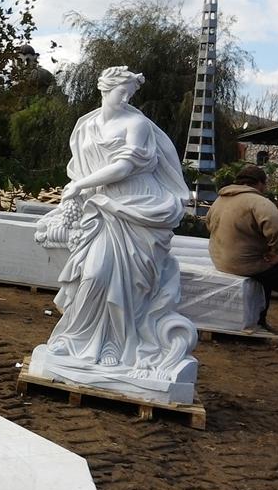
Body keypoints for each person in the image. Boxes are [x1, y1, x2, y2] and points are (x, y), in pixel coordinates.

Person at [38, 66, 197, 378]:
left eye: (130, 93)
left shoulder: (137, 124)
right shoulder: (86, 125)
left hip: (135, 206)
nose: (126, 98)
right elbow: (80, 169)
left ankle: (115, 345)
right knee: (94, 275)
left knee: (129, 286)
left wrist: (82, 186)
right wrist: (78, 193)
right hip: (99, 209)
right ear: (104, 89)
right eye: (121, 92)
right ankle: (76, 339)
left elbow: (124, 167)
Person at [206, 164, 278, 348]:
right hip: (247, 263)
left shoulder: (220, 200)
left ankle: (259, 320)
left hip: (221, 260)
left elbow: (209, 224)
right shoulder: (258, 202)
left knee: (267, 278)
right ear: (259, 183)